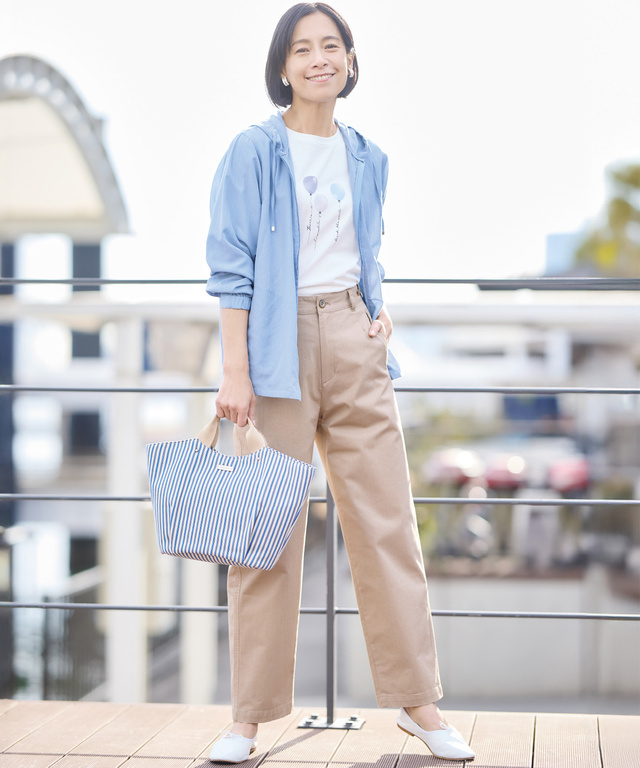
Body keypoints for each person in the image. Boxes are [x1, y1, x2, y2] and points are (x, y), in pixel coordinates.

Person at [205, 3, 475, 763]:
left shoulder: (368, 156)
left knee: (388, 526)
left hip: (356, 343)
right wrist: (235, 371)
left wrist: (379, 313)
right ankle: (247, 720)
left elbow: (366, 248)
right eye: (303, 48)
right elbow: (231, 266)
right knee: (264, 538)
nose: (319, 58)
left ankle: (419, 704)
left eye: (332, 46)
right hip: (275, 349)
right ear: (283, 66)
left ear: (350, 61)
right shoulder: (253, 150)